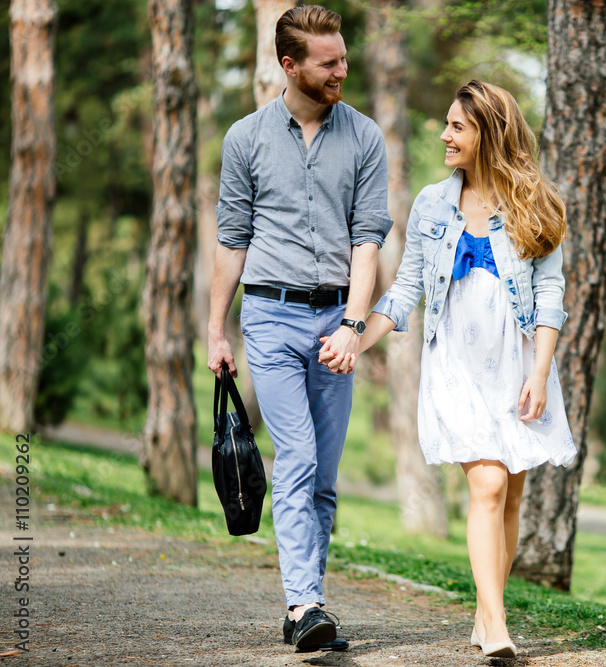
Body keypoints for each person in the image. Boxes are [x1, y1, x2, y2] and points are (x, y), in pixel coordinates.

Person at [330, 80, 577, 658]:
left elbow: (549, 294)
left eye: (457, 127)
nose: (444, 135)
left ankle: (485, 611)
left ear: (488, 134)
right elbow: (409, 287)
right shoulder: (432, 204)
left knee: (511, 493)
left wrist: (540, 372)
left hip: (516, 362)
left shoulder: (537, 203)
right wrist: (356, 336)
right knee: (487, 485)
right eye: (445, 124)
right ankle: (495, 627)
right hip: (456, 365)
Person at [207, 5, 391, 653]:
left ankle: (306, 604)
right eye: (329, 62)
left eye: (343, 58)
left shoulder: (364, 137)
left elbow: (367, 241)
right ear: (289, 65)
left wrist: (352, 323)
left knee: (324, 476)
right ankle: (305, 601)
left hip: (335, 319)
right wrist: (216, 330)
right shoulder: (246, 139)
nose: (343, 69)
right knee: (300, 456)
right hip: (269, 313)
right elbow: (231, 241)